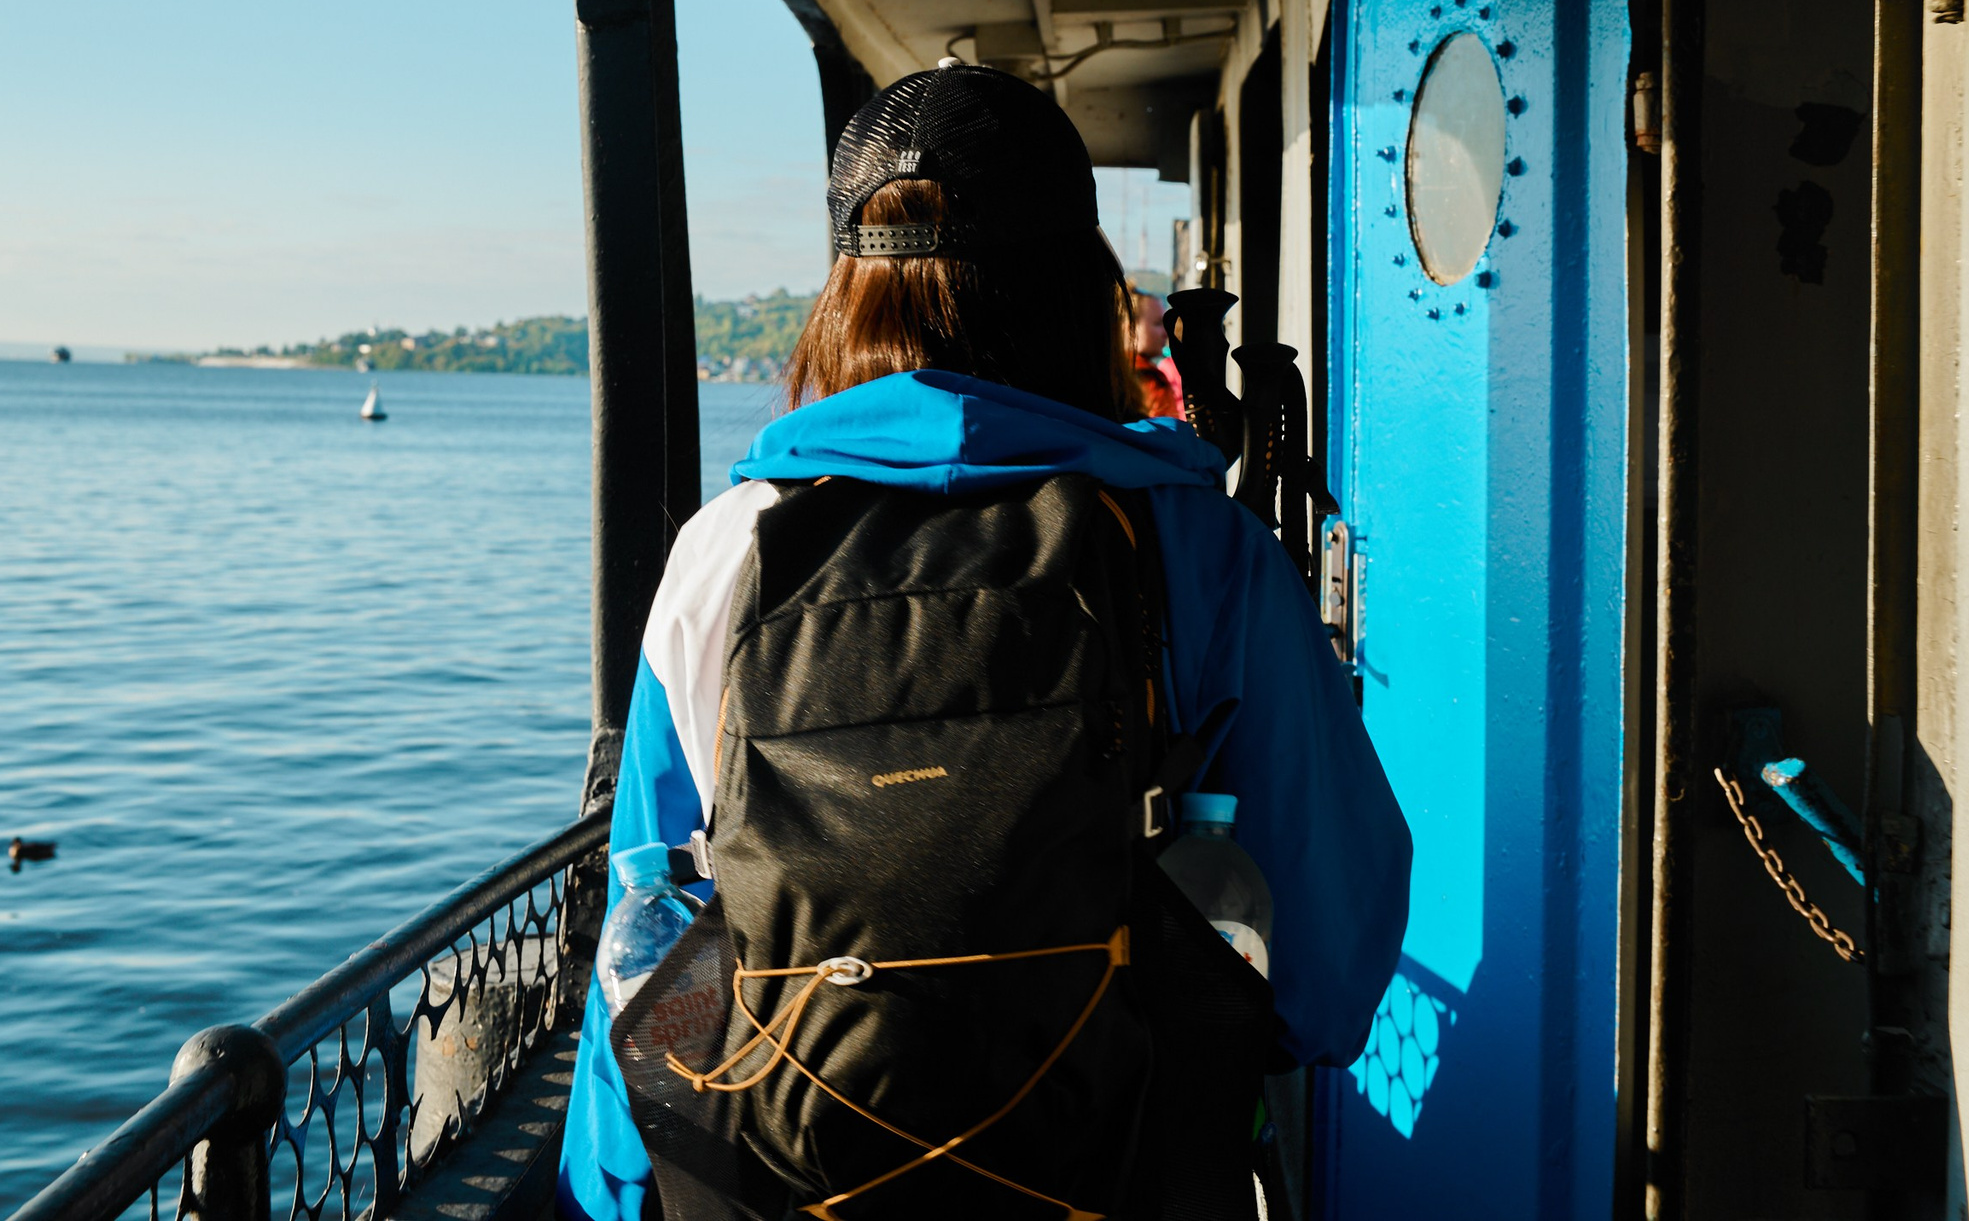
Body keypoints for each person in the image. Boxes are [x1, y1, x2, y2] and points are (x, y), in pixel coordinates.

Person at [557, 64, 1410, 1221]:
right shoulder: (1202, 550)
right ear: (1081, 290)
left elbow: (651, 933)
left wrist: (613, 1191)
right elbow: (1328, 972)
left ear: (843, 292)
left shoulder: (724, 553)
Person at [1123, 285, 1183, 420]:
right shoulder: (1148, 379)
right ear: (1130, 328)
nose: (1165, 333)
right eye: (1157, 323)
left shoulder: (1114, 375)